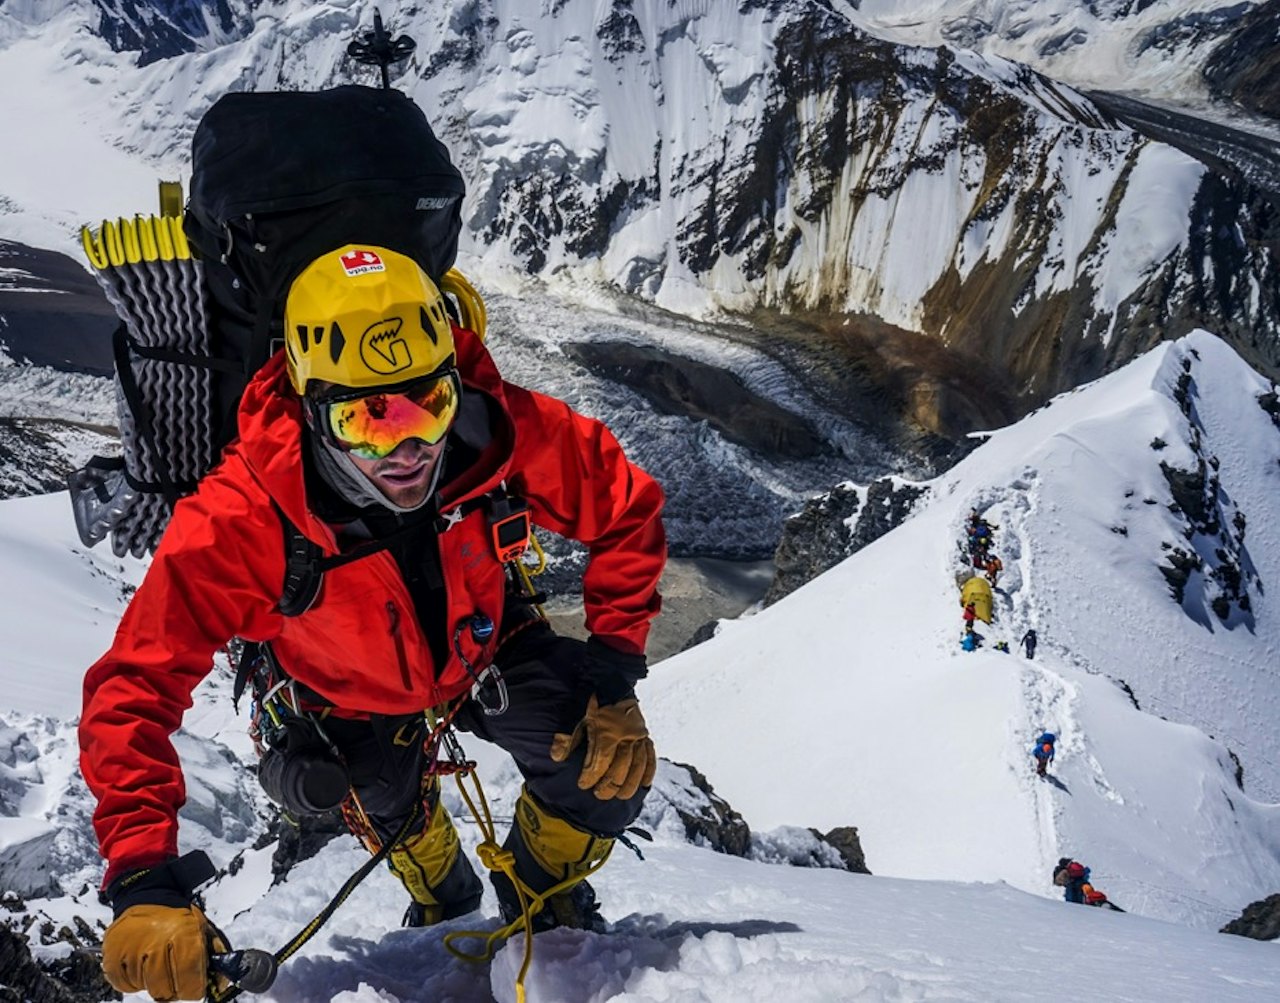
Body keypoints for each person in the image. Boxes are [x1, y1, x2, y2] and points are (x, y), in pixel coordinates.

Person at [79, 246, 667, 1002]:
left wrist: (615, 677)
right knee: (385, 800)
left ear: (455, 381)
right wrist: (140, 877)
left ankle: (541, 900)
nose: (409, 447)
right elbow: (135, 684)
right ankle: (443, 891)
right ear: (309, 401)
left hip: (483, 645)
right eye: (367, 417)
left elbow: (625, 505)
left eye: (429, 405)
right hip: (343, 697)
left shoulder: (497, 430)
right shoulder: (244, 516)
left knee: (602, 764)